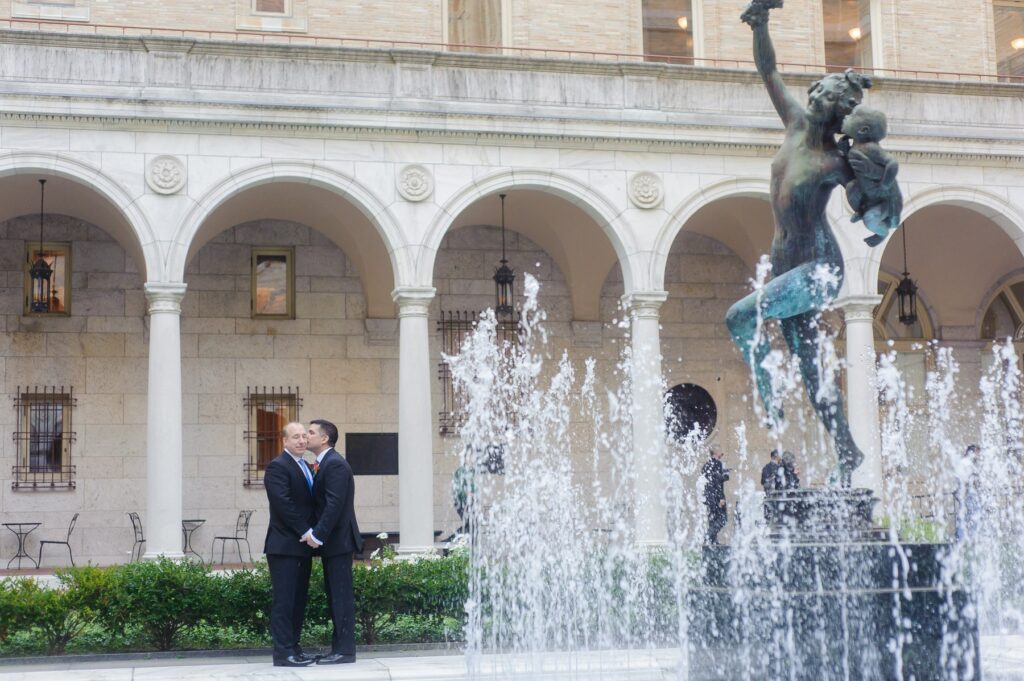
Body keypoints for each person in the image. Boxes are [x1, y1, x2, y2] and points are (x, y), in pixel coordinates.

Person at [728, 0, 886, 487]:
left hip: (819, 271)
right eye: (819, 92)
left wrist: (877, 208)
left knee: (739, 316)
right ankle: (849, 452)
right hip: (786, 267)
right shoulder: (794, 125)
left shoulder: (840, 162)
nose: (817, 99)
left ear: (840, 114)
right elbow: (769, 69)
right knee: (815, 374)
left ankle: (768, 391)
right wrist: (760, 22)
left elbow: (876, 209)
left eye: (829, 100)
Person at [304, 419, 363, 665]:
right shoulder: (324, 463)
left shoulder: (335, 464)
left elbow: (334, 505)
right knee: (335, 595)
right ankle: (338, 648)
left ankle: (345, 651)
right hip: (334, 542)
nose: (306, 436)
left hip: (338, 541)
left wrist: (317, 535)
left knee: (341, 596)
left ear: (324, 439)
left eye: (310, 432)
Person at [263, 422, 317, 667]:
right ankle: (283, 653)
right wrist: (306, 531)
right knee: (285, 601)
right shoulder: (277, 466)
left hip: (302, 546)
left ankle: (295, 647)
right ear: (284, 441)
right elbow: (283, 504)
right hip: (284, 546)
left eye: (304, 436)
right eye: (295, 437)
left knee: (298, 600)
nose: (301, 441)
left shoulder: (305, 465)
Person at [702, 448, 730, 544]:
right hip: (716, 497)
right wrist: (721, 498)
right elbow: (717, 482)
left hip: (709, 498)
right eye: (720, 451)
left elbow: (710, 481)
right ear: (716, 452)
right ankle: (708, 536)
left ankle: (713, 541)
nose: (722, 453)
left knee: (713, 519)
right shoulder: (718, 464)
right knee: (722, 519)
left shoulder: (706, 465)